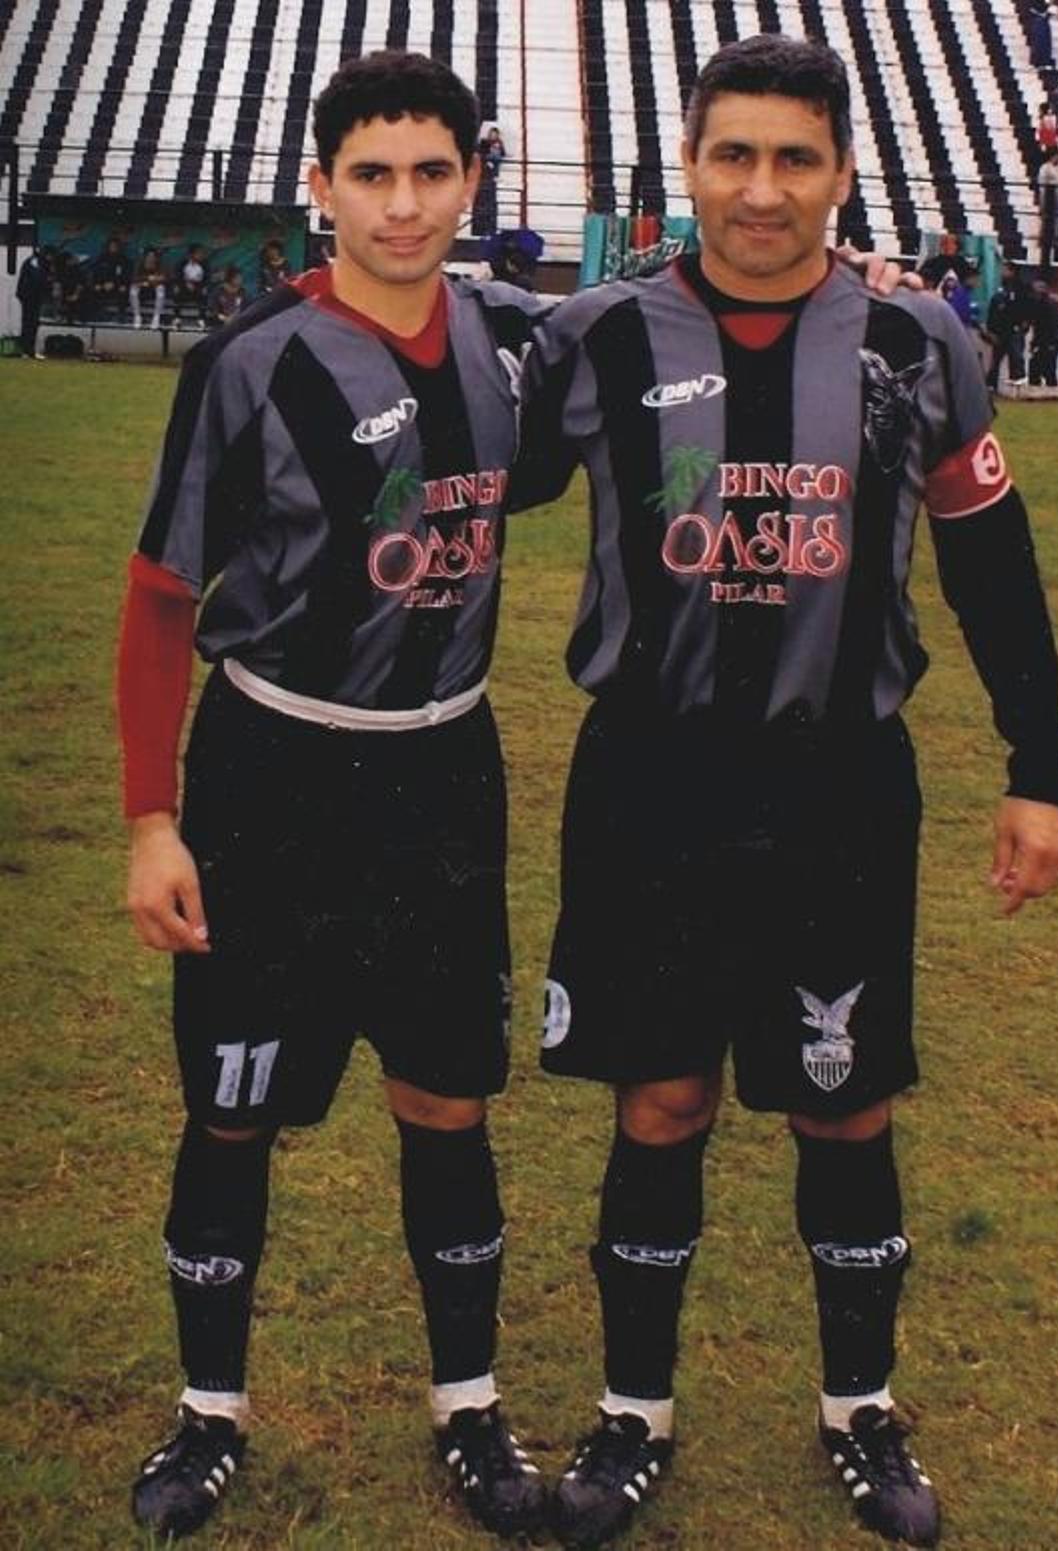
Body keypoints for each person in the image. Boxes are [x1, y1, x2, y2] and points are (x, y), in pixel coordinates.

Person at [514, 34, 1058, 1549]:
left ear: (840, 173)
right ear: (689, 168)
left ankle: (860, 1409)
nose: (762, 191)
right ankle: (634, 1412)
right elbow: (463, 488)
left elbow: (994, 567)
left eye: (795, 159)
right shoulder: (594, 341)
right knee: (661, 1095)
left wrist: (1041, 771)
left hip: (840, 781)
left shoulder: (917, 343)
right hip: (650, 781)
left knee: (846, 1099)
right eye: (735, 155)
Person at [118, 50, 554, 1542]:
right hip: (274, 773)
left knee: (447, 1096)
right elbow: (161, 599)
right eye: (371, 175)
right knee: (234, 1105)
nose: (403, 205)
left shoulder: (508, 341)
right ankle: (209, 1414)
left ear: (472, 182)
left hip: (443, 769)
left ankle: (471, 1407)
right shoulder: (248, 364)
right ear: (320, 188)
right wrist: (153, 821)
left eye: (432, 173)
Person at [986, 260, 1033, 388]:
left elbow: (1027, 308)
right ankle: (991, 384)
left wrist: (1024, 323)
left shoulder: (1022, 289)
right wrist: (991, 329)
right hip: (1000, 330)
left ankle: (1017, 381)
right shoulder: (1000, 289)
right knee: (996, 359)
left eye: (1005, 270)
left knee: (1015, 356)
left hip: (1014, 329)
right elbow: (993, 310)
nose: (1002, 272)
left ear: (1012, 272)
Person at [1037, 147, 1058, 272]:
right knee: (1046, 218)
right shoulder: (1045, 168)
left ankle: (1056, 237)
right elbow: (1041, 183)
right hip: (1048, 196)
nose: (1057, 159)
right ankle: (1043, 239)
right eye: (1056, 156)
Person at [16, 245, 51, 357]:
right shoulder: (34, 262)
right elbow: (37, 279)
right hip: (29, 296)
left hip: (31, 296)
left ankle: (28, 349)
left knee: (31, 323)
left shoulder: (36, 261)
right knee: (29, 323)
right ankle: (26, 350)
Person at [90, 236, 132, 318]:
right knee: (94, 290)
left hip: (118, 285)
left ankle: (121, 314)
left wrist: (116, 284)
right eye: (111, 246)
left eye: (115, 246)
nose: (113, 248)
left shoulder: (124, 260)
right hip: (103, 284)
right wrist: (98, 284)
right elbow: (96, 272)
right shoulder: (102, 258)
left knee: (123, 291)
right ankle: (98, 313)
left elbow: (126, 275)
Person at [131, 247, 168, 328]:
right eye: (149, 256)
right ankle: (137, 316)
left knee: (161, 289)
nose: (151, 259)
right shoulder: (140, 264)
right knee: (133, 290)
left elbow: (164, 278)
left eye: (153, 257)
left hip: (154, 289)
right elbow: (134, 278)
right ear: (145, 257)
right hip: (143, 290)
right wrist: (145, 280)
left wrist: (155, 280)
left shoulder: (160, 264)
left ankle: (156, 317)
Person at [173, 245, 209, 322]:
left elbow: (207, 277)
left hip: (198, 285)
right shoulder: (183, 263)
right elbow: (178, 276)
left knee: (204, 293)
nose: (201, 255)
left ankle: (201, 318)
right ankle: (177, 317)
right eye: (198, 253)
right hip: (184, 285)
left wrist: (203, 286)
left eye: (201, 253)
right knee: (177, 291)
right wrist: (185, 283)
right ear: (192, 254)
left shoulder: (204, 264)